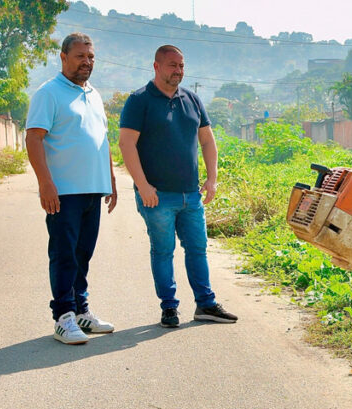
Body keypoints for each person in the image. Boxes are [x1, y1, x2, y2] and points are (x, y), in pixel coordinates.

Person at [118, 45, 237, 328]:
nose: (178, 71)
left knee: (197, 249)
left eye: (181, 66)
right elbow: (126, 144)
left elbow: (207, 141)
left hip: (191, 194)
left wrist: (212, 178)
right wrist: (143, 186)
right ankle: (169, 308)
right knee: (163, 251)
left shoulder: (192, 99)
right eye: (172, 65)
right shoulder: (139, 100)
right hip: (157, 196)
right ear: (156, 66)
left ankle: (206, 305)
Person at [25, 32, 118, 346]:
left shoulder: (94, 94)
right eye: (80, 56)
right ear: (63, 58)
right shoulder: (49, 93)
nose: (87, 62)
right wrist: (45, 182)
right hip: (63, 191)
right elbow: (34, 138)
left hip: (93, 189)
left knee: (83, 254)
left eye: (90, 57)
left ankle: (81, 311)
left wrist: (111, 180)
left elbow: (101, 140)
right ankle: (63, 317)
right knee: (64, 254)